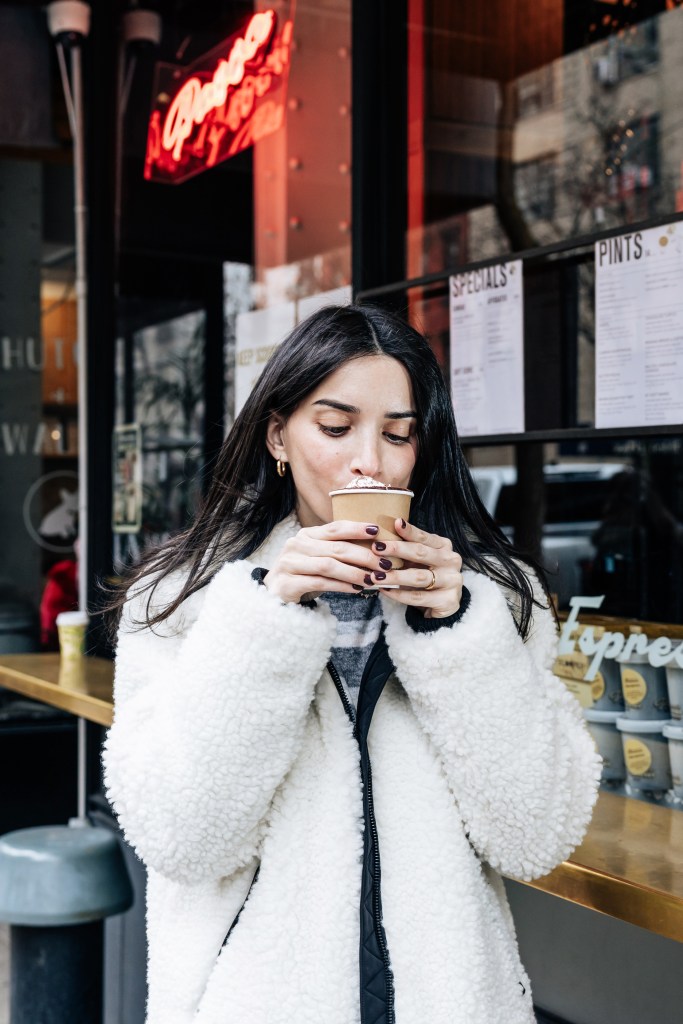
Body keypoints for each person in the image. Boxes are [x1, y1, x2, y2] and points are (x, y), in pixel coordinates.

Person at [103, 304, 600, 1024]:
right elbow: (182, 839)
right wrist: (268, 619)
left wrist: (456, 633)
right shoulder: (187, 598)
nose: (369, 458)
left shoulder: (495, 602)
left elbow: (536, 837)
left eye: (397, 434)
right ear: (278, 434)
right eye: (335, 428)